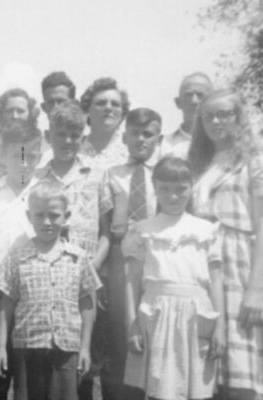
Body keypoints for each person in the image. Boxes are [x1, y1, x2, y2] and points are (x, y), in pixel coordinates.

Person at [188, 90, 263, 400]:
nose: (215, 121)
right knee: (204, 363)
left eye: (223, 114)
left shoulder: (256, 161)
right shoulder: (198, 164)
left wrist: (255, 288)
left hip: (237, 263)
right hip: (200, 264)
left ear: (238, 117)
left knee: (240, 364)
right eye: (208, 116)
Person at [123, 156, 225, 400]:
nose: (173, 196)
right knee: (160, 388)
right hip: (156, 315)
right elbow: (131, 281)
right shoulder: (143, 230)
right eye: (165, 189)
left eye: (181, 189)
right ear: (155, 188)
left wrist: (220, 326)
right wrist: (132, 325)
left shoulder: (205, 230)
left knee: (195, 388)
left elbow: (216, 279)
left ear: (191, 188)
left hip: (196, 315)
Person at [0, 181, 101, 400]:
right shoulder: (17, 255)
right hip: (27, 346)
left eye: (53, 215)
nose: (46, 222)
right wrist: (0, 347)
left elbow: (87, 305)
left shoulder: (78, 257)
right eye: (39, 215)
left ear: (66, 216)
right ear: (29, 216)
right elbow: (7, 303)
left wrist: (85, 348)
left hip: (66, 348)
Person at [33, 101, 112, 400]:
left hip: (85, 278)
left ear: (83, 136)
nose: (67, 141)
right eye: (61, 133)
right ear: (49, 134)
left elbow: (106, 233)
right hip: (47, 276)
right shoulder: (36, 174)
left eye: (74, 135)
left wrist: (90, 268)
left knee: (82, 359)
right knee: (48, 356)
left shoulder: (97, 174)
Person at [0, 120, 42, 400]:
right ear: (3, 155)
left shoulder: (45, 196)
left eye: (32, 155)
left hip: (32, 297)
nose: (25, 163)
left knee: (28, 378)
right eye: (17, 155)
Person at [102, 108, 162, 400]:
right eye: (135, 133)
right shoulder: (112, 174)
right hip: (120, 259)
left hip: (156, 259)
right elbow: (104, 225)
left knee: (154, 329)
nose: (141, 140)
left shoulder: (165, 175)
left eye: (148, 134)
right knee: (121, 329)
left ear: (157, 139)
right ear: (124, 137)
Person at [79, 77, 130, 169]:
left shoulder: (131, 153)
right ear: (87, 110)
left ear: (122, 114)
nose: (108, 108)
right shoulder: (73, 149)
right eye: (101, 103)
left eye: (115, 104)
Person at [159, 72, 213, 159]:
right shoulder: (162, 144)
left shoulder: (224, 144)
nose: (194, 101)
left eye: (200, 95)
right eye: (188, 95)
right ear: (178, 102)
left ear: (212, 102)